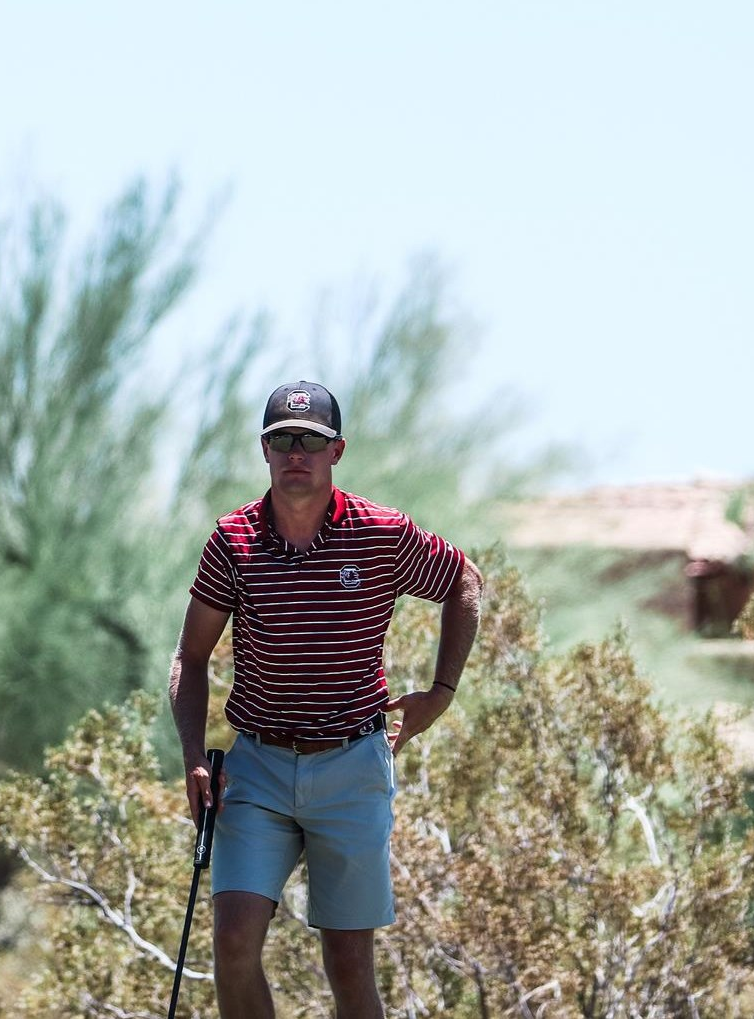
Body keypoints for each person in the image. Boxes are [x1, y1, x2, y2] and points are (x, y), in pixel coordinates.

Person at [168, 380, 484, 1019]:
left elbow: (465, 584)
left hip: (351, 765)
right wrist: (193, 755)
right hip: (256, 766)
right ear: (264, 449)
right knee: (232, 941)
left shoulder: (379, 534)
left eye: (309, 441)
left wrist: (441, 693)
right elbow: (190, 657)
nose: (295, 453)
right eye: (281, 439)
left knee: (347, 963)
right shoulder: (235, 540)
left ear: (336, 450)